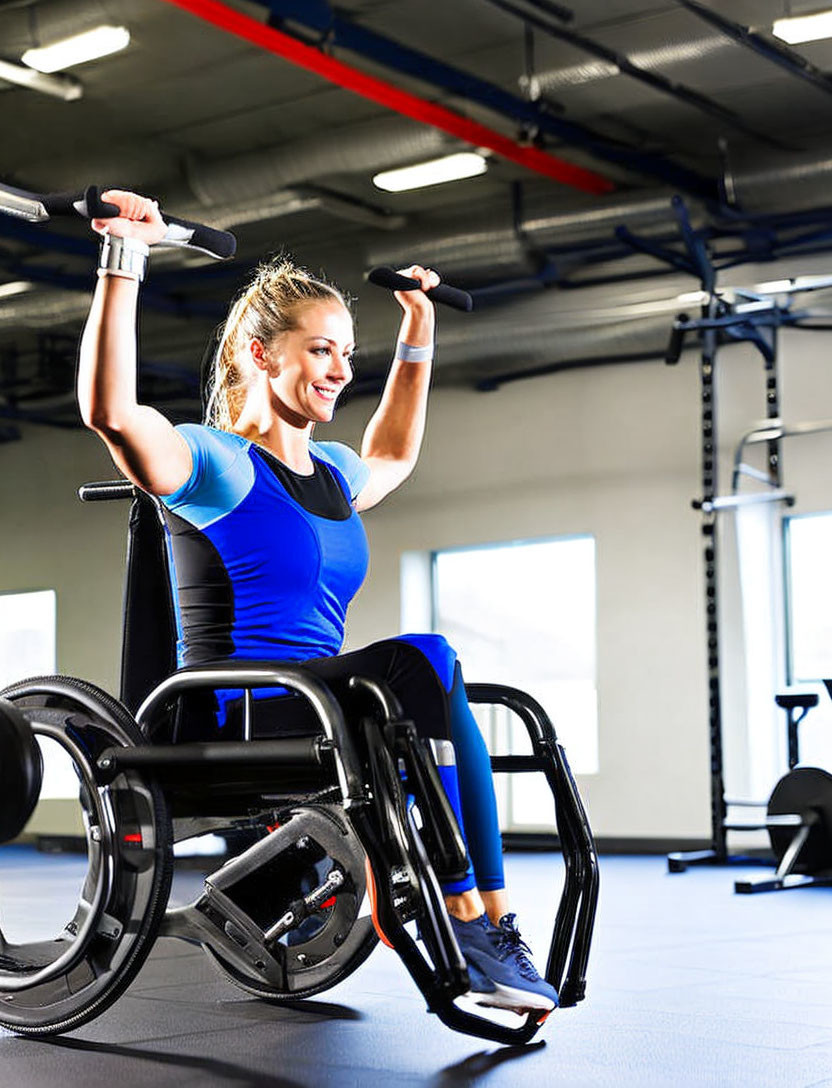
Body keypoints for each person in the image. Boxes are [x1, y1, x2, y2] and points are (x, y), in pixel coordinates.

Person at [76, 189, 558, 1016]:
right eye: (322, 350)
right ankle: (474, 919)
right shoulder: (215, 463)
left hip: (318, 701)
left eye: (347, 353)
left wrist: (420, 326)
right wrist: (124, 257)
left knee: (426, 687)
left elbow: (395, 452)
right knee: (426, 661)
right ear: (262, 356)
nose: (341, 369)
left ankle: (474, 917)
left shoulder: (333, 472)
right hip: (243, 707)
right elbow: (112, 414)